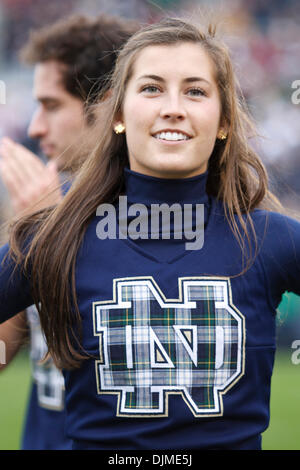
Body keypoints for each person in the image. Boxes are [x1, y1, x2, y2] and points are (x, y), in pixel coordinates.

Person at [0, 16, 300, 450]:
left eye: (195, 91)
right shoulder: (54, 238)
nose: (173, 107)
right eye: (151, 88)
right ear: (118, 114)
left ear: (224, 122)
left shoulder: (271, 240)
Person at [0, 14, 139, 450]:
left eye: (53, 105)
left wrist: (53, 233)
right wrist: (24, 243)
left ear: (106, 106)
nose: (35, 127)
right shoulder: (41, 200)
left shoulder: (169, 215)